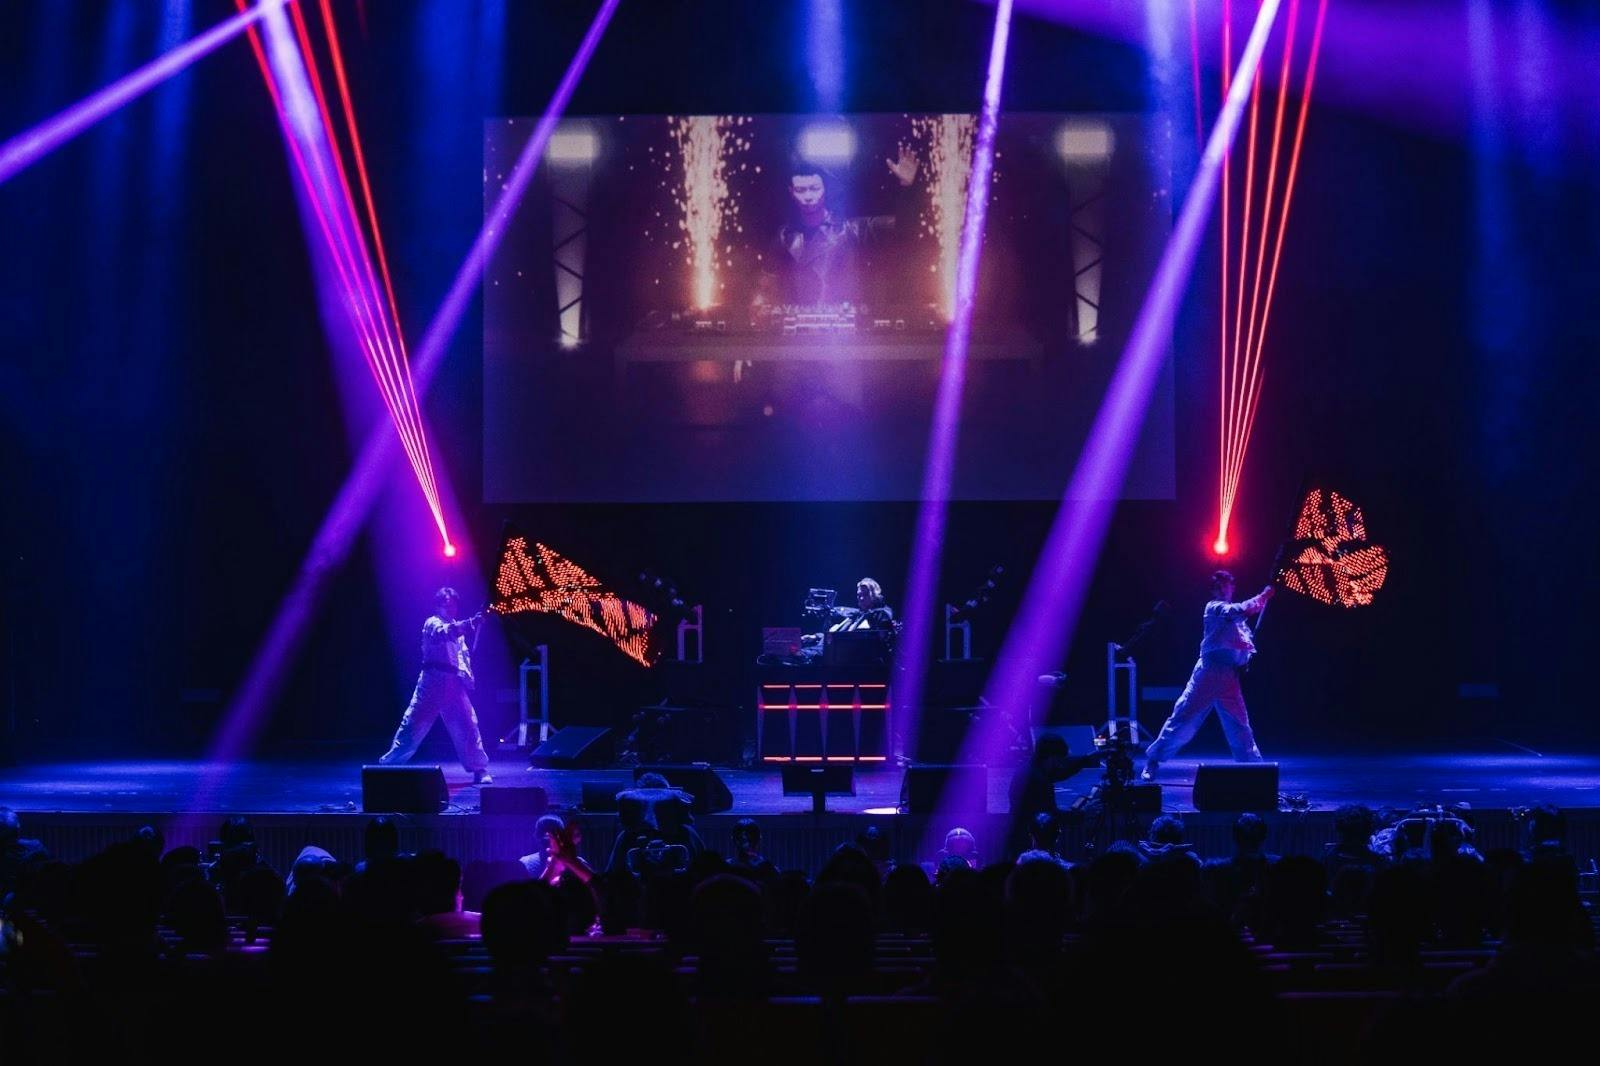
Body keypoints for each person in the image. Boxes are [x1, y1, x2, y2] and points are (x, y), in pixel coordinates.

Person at [1142, 570, 1273, 779]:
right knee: (1183, 719)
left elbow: (1243, 647)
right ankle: (1153, 760)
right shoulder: (1214, 608)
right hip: (1208, 673)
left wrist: (1243, 661)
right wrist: (1264, 595)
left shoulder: (1240, 624)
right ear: (1213, 590)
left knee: (1239, 725)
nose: (1222, 588)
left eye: (1225, 584)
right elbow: (1239, 610)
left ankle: (1254, 770)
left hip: (1229, 677)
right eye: (1217, 585)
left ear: (1232, 587)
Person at [758, 149, 921, 306]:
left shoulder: (852, 230)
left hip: (846, 316)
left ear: (824, 189)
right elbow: (768, 280)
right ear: (791, 192)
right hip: (801, 317)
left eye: (814, 188)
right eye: (801, 190)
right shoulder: (785, 236)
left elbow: (903, 226)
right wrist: (760, 302)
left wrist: (907, 186)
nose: (808, 196)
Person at [379, 586, 493, 784]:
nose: (451, 608)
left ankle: (478, 768)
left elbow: (462, 658)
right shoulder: (432, 623)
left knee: (468, 725)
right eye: (446, 605)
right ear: (438, 606)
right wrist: (471, 623)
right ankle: (387, 767)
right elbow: (444, 634)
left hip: (453, 683)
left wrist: (467, 678)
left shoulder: (458, 628)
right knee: (412, 727)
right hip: (432, 682)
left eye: (454, 604)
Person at [1005, 732, 1104, 858]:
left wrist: (1087, 759)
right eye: (1060, 760)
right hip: (1029, 845)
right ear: (1052, 757)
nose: (1061, 764)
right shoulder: (1038, 780)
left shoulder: (1032, 770)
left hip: (1020, 838)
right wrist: (1084, 813)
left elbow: (1061, 772)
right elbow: (1052, 815)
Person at [827, 577, 895, 632]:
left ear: (875, 595)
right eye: (859, 595)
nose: (861, 598)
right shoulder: (856, 615)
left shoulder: (882, 613)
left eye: (865, 594)